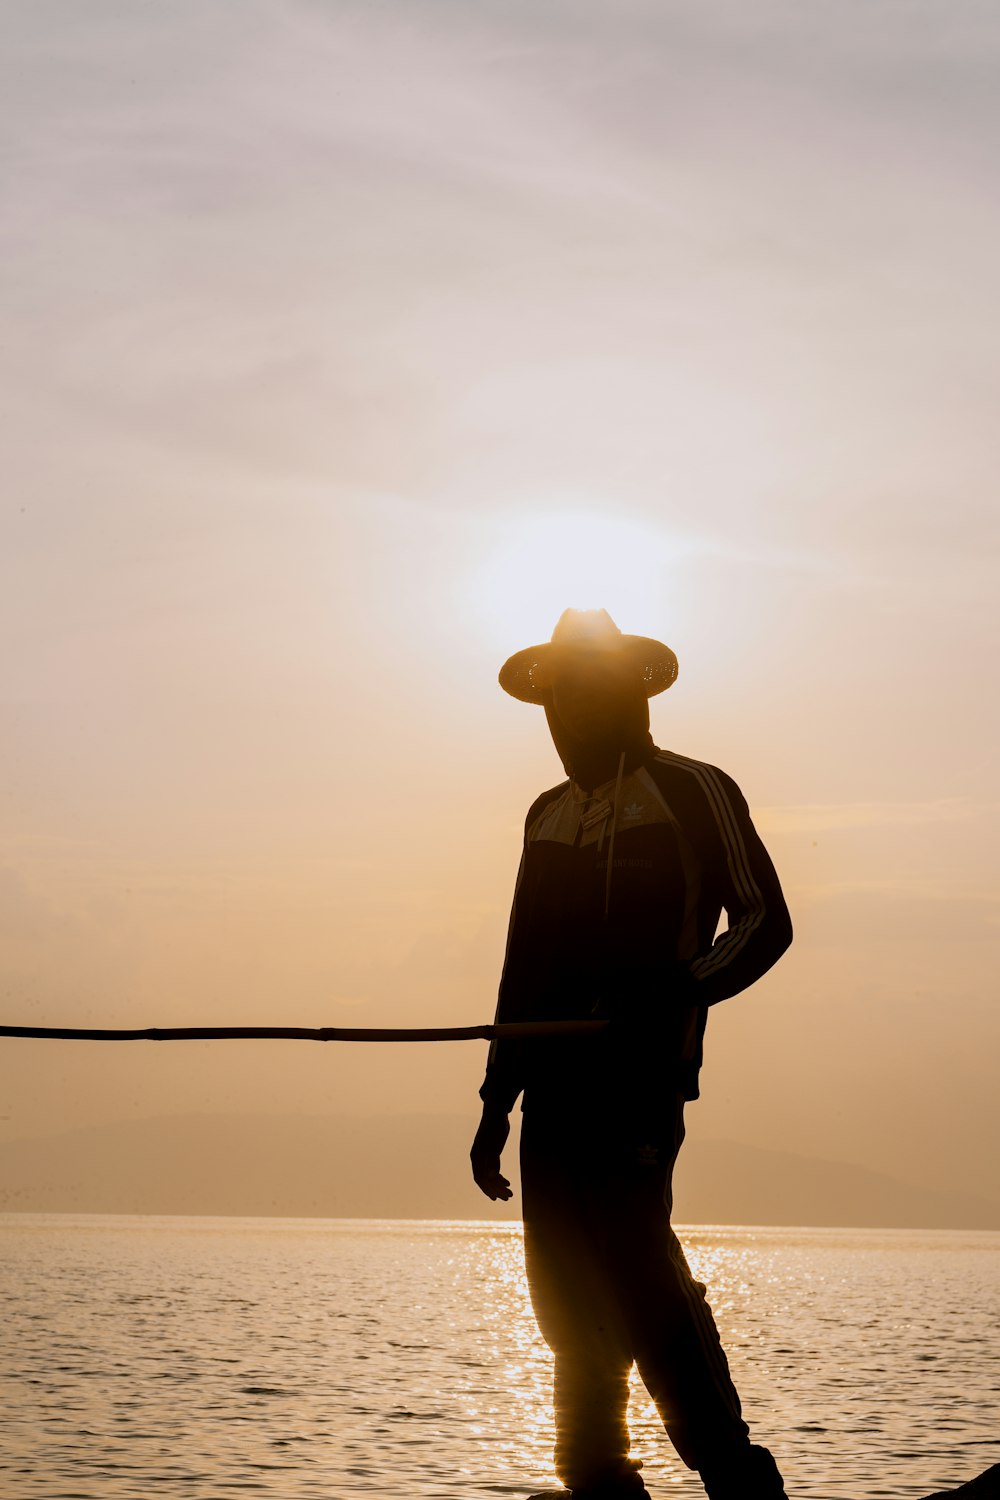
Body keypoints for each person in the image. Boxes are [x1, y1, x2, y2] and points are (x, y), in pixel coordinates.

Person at [470, 608, 793, 1500]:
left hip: (641, 1077)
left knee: (642, 1271)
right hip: (551, 1086)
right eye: (556, 696)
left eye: (585, 690)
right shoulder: (546, 816)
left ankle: (733, 1471)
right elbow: (520, 966)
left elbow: (765, 920)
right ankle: (597, 1478)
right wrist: (497, 1102)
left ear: (626, 694)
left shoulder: (694, 790)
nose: (568, 711)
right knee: (564, 1287)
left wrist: (678, 986)